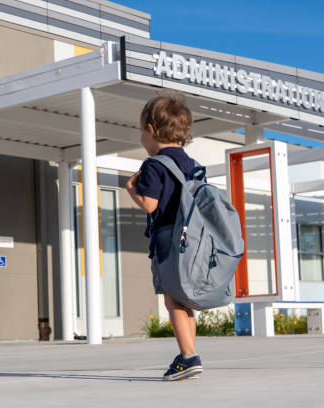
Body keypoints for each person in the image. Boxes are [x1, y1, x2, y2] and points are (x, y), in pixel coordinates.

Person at [125, 92, 203, 381]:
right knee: (185, 301)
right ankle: (189, 352)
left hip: (168, 242)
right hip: (192, 242)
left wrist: (131, 188)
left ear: (150, 130)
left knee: (173, 302)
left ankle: (188, 356)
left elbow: (150, 204)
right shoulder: (192, 164)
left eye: (141, 132)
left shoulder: (154, 165)